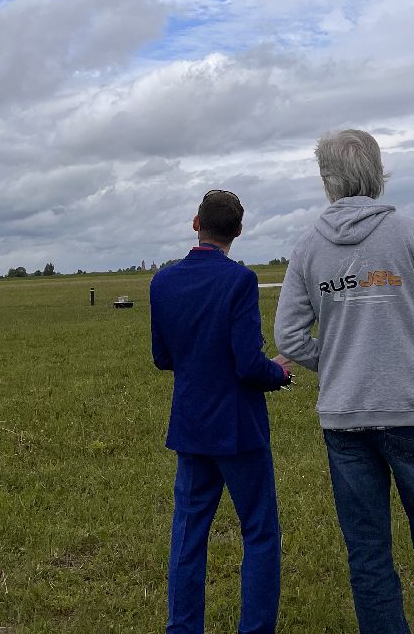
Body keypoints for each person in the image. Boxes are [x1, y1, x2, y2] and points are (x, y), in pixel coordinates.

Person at [274, 130, 414, 634]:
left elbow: (288, 335)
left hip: (344, 421)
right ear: (378, 172)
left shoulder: (307, 247)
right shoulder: (409, 234)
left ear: (326, 180)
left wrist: (338, 362)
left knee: (368, 554)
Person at [150, 188, 293, 634]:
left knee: (189, 535)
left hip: (191, 427)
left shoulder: (163, 281)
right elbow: (248, 364)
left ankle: (184, 627)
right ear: (239, 231)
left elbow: (162, 357)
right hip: (239, 429)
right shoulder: (239, 281)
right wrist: (280, 372)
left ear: (196, 224)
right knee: (260, 533)